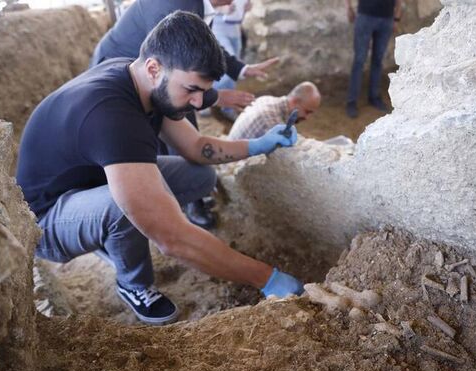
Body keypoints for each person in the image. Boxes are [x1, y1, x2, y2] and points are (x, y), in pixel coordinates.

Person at [16, 11, 304, 326]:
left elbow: (195, 148)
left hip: (92, 182)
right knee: (123, 207)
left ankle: (110, 231)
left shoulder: (144, 79)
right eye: (191, 89)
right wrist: (267, 278)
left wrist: (259, 144)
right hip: (45, 221)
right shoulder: (113, 117)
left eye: (202, 91)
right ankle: (133, 284)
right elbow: (173, 240)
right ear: (154, 68)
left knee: (200, 176)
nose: (198, 103)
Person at [90, 0, 277, 228]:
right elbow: (174, 69)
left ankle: (181, 192)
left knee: (174, 124)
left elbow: (202, 48)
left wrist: (241, 69)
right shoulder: (177, 4)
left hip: (160, 73)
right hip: (122, 66)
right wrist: (216, 97)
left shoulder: (197, 5)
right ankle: (185, 202)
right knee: (161, 127)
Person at [344, 0, 401, 118]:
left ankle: (374, 97)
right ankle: (352, 101)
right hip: (365, 16)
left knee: (378, 61)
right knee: (359, 60)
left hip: (386, 18)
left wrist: (396, 18)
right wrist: (348, 8)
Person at [229, 82, 321, 140]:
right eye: (307, 112)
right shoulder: (271, 122)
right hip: (233, 167)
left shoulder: (266, 99)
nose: (307, 118)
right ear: (295, 101)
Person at [211, 0, 251, 121]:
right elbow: (204, 4)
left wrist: (246, 6)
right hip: (218, 25)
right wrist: (220, 9)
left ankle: (226, 106)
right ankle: (209, 99)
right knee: (227, 69)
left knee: (234, 68)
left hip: (235, 28)